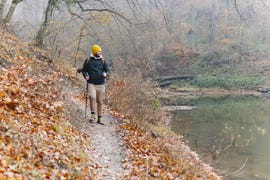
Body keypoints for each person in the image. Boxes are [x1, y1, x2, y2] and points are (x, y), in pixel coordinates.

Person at [82, 44, 110, 124]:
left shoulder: (103, 60)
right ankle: (93, 115)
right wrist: (85, 75)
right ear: (94, 52)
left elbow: (107, 70)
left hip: (101, 83)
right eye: (98, 51)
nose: (100, 53)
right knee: (92, 97)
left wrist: (106, 74)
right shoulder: (88, 60)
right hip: (91, 83)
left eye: (100, 51)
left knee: (100, 100)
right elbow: (84, 70)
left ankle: (100, 117)